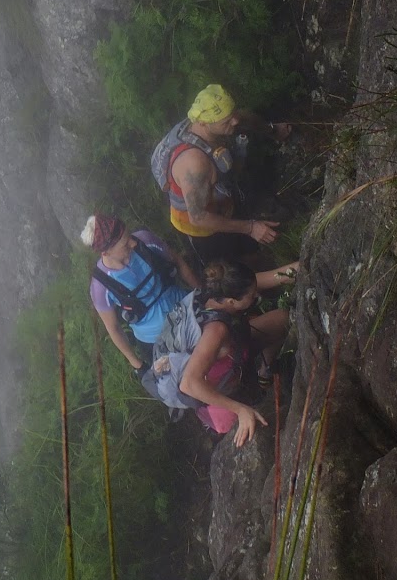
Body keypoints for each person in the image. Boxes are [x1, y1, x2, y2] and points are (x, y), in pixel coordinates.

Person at [152, 259, 298, 447]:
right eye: (252, 296)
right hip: (211, 385)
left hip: (232, 348)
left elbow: (273, 277)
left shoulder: (212, 293)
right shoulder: (216, 331)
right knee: (247, 428)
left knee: (283, 319)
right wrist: (240, 410)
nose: (256, 297)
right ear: (232, 302)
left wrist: (300, 267)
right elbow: (188, 384)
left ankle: (263, 374)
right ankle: (214, 417)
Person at [158, 83, 291, 270]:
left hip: (221, 201)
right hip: (201, 228)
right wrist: (251, 228)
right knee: (230, 266)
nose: (235, 122)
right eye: (227, 122)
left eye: (232, 115)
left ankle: (260, 262)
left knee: (250, 249)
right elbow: (198, 217)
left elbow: (241, 118)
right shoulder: (194, 164)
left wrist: (271, 130)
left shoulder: (212, 120)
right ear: (204, 124)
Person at [81, 213, 199, 373]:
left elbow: (177, 261)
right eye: (124, 245)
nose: (132, 243)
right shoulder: (100, 286)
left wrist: (201, 292)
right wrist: (138, 365)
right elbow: (114, 328)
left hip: (185, 308)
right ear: (105, 253)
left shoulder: (145, 241)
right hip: (155, 340)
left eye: (129, 237)